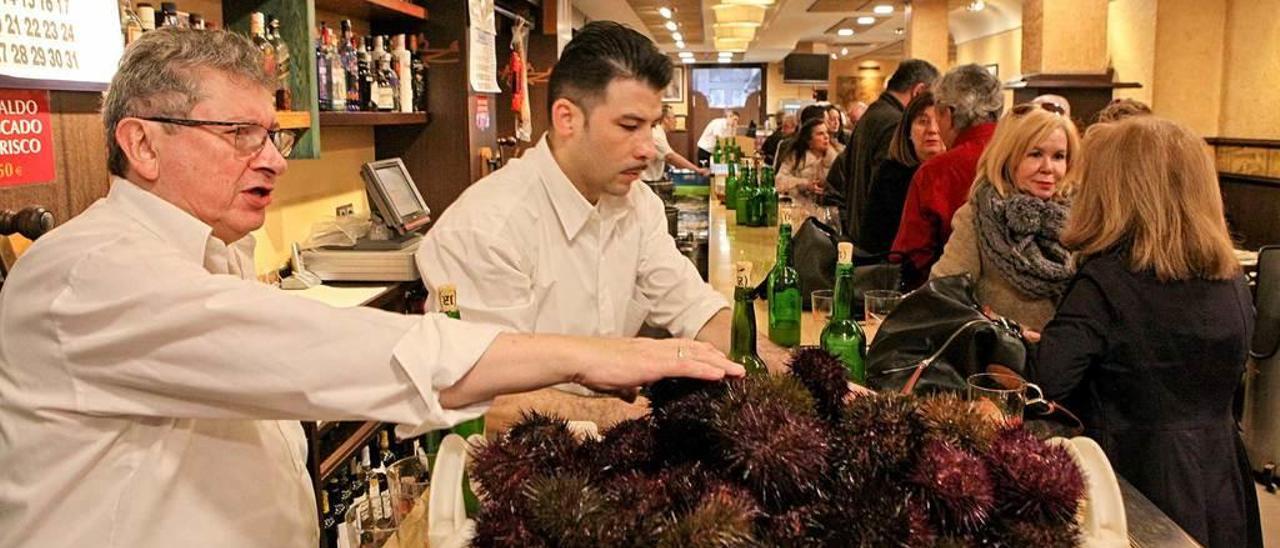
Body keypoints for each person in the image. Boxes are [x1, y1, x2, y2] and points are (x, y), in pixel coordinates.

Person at [0, 28, 744, 548]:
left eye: (274, 135)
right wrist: (590, 357)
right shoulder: (86, 273)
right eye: (240, 135)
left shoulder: (217, 255)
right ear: (141, 143)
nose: (272, 160)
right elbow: (320, 352)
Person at [416, 22, 789, 384]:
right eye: (629, 126)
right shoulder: (487, 229)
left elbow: (694, 307)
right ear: (567, 119)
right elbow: (479, 396)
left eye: (652, 126)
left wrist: (795, 372)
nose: (648, 148)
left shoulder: (639, 205)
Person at [1030, 116, 1262, 548]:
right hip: (1221, 473)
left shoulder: (1106, 282)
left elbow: (1048, 384)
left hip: (1133, 477)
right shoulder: (1230, 280)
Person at [930, 103, 1080, 331]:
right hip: (1002, 359)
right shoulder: (979, 215)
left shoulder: (1081, 220)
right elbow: (942, 295)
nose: (1048, 168)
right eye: (1035, 154)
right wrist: (1001, 328)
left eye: (1059, 156)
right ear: (1009, 158)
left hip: (1070, 359)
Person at [892, 63, 1004, 285]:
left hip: (953, 300)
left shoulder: (937, 171)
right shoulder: (1023, 155)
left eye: (937, 114)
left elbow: (911, 256)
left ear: (948, 113)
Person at [826, 59, 939, 243]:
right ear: (918, 91)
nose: (934, 127)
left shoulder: (873, 114)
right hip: (880, 247)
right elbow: (885, 203)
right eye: (923, 120)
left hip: (860, 238)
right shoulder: (895, 124)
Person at [858, 92, 945, 255]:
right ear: (908, 132)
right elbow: (872, 240)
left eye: (939, 121)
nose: (932, 130)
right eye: (922, 121)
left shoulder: (956, 173)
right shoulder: (890, 175)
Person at [775, 119, 840, 222]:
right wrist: (803, 184)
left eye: (826, 132)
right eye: (820, 134)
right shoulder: (796, 158)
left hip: (829, 215)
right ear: (809, 140)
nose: (826, 137)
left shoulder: (836, 160)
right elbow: (779, 181)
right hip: (799, 212)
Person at [642, 105, 709, 182]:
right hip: (647, 181)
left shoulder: (659, 133)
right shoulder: (656, 135)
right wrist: (698, 170)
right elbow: (670, 157)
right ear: (665, 119)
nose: (676, 121)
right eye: (674, 117)